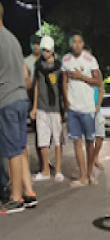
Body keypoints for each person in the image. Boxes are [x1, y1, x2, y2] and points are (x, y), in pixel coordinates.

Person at [0, 2, 37, 214]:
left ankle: (16, 199)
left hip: (7, 100)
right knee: (21, 147)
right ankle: (29, 193)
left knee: (13, 151)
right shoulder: (12, 39)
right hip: (21, 98)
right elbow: (26, 75)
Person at [62, 31, 102, 187]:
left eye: (79, 41)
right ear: (70, 44)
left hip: (87, 108)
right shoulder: (66, 60)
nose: (76, 44)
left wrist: (81, 77)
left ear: (83, 43)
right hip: (73, 108)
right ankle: (83, 176)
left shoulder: (90, 60)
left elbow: (98, 82)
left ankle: (90, 172)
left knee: (89, 142)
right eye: (74, 41)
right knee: (76, 142)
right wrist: (66, 100)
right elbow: (64, 82)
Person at [30, 35, 64, 182]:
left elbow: (63, 87)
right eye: (44, 50)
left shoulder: (59, 66)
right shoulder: (38, 65)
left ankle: (58, 170)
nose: (45, 53)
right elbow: (36, 86)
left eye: (47, 50)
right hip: (42, 108)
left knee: (57, 140)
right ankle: (45, 170)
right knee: (42, 140)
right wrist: (34, 107)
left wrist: (64, 109)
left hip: (56, 108)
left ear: (53, 50)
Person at [24, 34, 44, 171]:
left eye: (38, 43)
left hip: (47, 100)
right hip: (32, 100)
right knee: (39, 132)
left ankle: (46, 161)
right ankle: (42, 163)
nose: (36, 46)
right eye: (34, 43)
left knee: (48, 135)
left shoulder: (47, 59)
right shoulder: (26, 61)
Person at [85, 46, 105, 170]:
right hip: (84, 109)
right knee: (89, 139)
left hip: (97, 109)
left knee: (100, 135)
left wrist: (98, 105)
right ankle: (90, 164)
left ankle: (95, 157)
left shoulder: (97, 72)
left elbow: (101, 89)